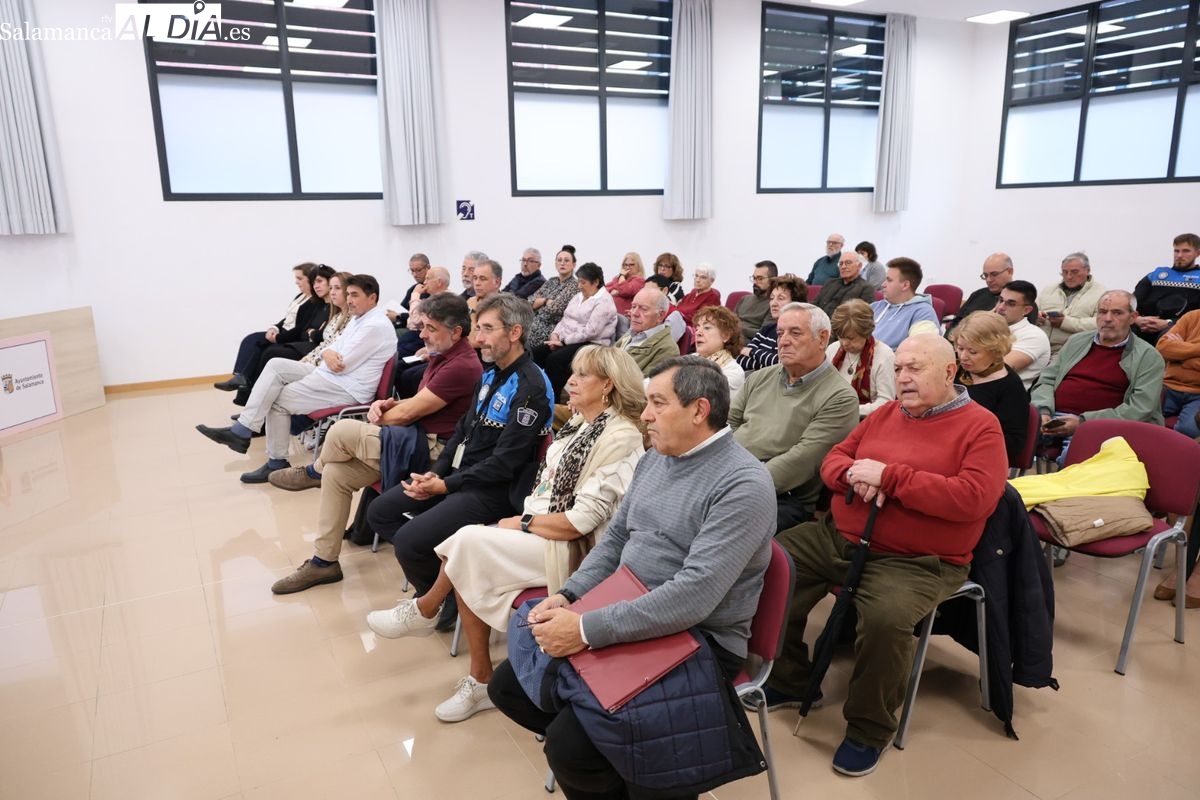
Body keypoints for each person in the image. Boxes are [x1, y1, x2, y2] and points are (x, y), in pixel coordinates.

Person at [488, 356, 777, 799]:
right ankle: (626, 765)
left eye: (658, 403)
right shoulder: (656, 458)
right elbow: (616, 540)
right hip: (630, 607)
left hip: (700, 637)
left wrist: (585, 630)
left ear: (699, 410)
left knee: (569, 748)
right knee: (509, 687)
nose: (645, 416)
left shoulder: (743, 485)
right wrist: (569, 595)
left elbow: (692, 597)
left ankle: (628, 768)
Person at [767, 334, 1008, 777]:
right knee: (770, 565)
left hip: (918, 559)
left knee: (886, 618)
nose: (903, 377)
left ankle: (868, 728)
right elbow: (835, 457)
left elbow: (974, 498)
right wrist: (852, 475)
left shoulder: (981, 426)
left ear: (949, 372)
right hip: (840, 535)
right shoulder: (885, 414)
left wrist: (891, 478)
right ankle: (790, 679)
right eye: (898, 369)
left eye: (915, 368)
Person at [365, 345, 646, 722]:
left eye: (582, 375)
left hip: (578, 549)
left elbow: (580, 523)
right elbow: (545, 492)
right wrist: (525, 520)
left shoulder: (620, 436)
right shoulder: (580, 424)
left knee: (469, 542)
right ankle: (469, 665)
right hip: (545, 529)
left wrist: (522, 522)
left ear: (608, 385)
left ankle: (430, 613)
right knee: (470, 552)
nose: (570, 381)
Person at [266, 294, 484, 594]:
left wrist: (384, 413)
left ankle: (313, 471)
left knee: (342, 430)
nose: (422, 334)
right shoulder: (444, 355)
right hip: (413, 441)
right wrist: (386, 404)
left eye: (430, 328)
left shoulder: (462, 366)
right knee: (337, 474)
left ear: (456, 332)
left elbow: (407, 415)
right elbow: (417, 403)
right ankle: (324, 561)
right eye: (422, 326)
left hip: (432, 453)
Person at [365, 293, 554, 606]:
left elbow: (505, 464)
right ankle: (446, 586)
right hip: (461, 476)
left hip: (494, 490)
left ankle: (439, 599)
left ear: (514, 333)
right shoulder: (491, 373)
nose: (478, 339)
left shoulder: (530, 387)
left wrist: (447, 485)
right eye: (478, 329)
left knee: (409, 542)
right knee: (380, 511)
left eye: (487, 329)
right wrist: (436, 475)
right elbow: (462, 431)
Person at [196, 274, 398, 482]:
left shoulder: (374, 326)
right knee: (275, 364)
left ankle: (274, 461)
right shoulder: (360, 319)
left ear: (372, 298)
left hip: (347, 387)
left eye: (354, 295)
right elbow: (332, 349)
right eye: (348, 294)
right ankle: (243, 429)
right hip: (332, 376)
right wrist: (327, 353)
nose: (349, 300)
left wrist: (328, 354)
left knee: (277, 400)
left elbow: (341, 364)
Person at [730, 302, 859, 531]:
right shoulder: (759, 378)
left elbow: (802, 460)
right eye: (780, 333)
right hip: (730, 476)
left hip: (780, 496)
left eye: (795, 333)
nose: (783, 341)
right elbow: (726, 428)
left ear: (822, 338)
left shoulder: (840, 397)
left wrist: (732, 484)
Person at [1031, 290, 1165, 460]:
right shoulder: (1076, 341)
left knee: (1075, 461)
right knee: (1008, 438)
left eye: (1117, 313)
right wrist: (1043, 411)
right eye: (1102, 312)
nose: (1107, 318)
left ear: (1133, 317)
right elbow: (1047, 380)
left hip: (1102, 427)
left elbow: (1140, 408)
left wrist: (1083, 422)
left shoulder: (1148, 356)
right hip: (1051, 417)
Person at [231, 264, 337, 404]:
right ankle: (245, 390)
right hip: (303, 343)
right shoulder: (319, 304)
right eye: (314, 282)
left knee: (270, 352)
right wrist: (276, 328)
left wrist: (310, 333)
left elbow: (316, 334)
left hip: (311, 348)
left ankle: (254, 401)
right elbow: (304, 330)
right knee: (252, 340)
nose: (316, 285)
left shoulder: (330, 307)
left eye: (319, 281)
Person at [215, 262, 322, 393]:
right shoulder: (300, 296)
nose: (296, 282)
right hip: (282, 332)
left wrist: (278, 338)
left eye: (299, 278)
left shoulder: (314, 302)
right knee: (251, 339)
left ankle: (246, 387)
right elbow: (287, 319)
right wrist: (274, 328)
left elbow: (300, 329)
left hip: (290, 337)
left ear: (310, 279)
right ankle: (240, 377)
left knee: (263, 349)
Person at [951, 311, 1029, 467]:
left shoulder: (1010, 387)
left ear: (995, 351)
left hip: (977, 459)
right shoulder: (955, 369)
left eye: (973, 352)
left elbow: (1012, 444)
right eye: (960, 348)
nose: (963, 356)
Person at [533, 262, 618, 400]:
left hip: (592, 344)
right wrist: (555, 335)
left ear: (596, 282)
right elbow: (565, 319)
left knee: (555, 360)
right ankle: (533, 392)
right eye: (578, 281)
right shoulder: (578, 296)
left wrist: (563, 341)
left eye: (583, 282)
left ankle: (551, 399)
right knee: (536, 353)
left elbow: (591, 331)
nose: (579, 286)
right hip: (567, 340)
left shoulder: (604, 302)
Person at [825, 298, 895, 418]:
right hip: (831, 415)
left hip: (867, 421)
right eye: (841, 337)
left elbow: (886, 403)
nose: (844, 343)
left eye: (851, 338)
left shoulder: (884, 355)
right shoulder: (833, 349)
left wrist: (847, 410)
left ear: (866, 333)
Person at [1133, 232, 1200, 343]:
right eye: (1176, 251)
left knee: (1168, 339)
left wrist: (1170, 323)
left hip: (1179, 329)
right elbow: (1131, 302)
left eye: (1186, 251)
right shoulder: (1155, 275)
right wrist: (1136, 319)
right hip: (1143, 325)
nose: (1179, 255)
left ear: (1197, 253)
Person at [1037, 252, 1107, 359]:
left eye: (1074, 272)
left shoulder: (1102, 294)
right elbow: (1029, 311)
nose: (1069, 276)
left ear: (1088, 270)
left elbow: (1101, 323)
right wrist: (1035, 317)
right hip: (1039, 346)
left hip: (1073, 351)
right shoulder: (1048, 290)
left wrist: (1065, 322)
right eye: (1065, 272)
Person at [737, 273, 807, 372]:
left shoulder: (798, 332)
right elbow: (740, 361)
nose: (773, 303)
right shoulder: (766, 329)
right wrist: (766, 361)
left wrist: (752, 352)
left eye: (781, 298)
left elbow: (782, 363)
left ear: (795, 303)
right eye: (771, 298)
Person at [870, 257, 941, 348]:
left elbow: (920, 350)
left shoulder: (923, 313)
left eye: (889, 280)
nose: (883, 284)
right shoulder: (875, 307)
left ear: (905, 285)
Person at [994, 280, 1051, 391]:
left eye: (1011, 304)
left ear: (1026, 310)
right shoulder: (991, 326)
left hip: (1003, 394)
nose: (1000, 307)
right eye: (1000, 300)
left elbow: (997, 371)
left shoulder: (1034, 335)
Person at [614, 285, 679, 376]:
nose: (634, 313)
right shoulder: (631, 333)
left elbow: (644, 383)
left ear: (660, 315)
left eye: (643, 309)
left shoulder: (667, 349)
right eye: (633, 307)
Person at [1157, 307, 1200, 440]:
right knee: (1136, 415)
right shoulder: (1192, 316)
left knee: (1189, 431)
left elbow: (1171, 351)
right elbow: (1162, 348)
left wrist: (1181, 355)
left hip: (1197, 394)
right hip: (1168, 387)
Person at [529, 245, 581, 348]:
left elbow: (555, 309)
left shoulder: (574, 285)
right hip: (534, 321)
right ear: (555, 263)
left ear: (573, 265)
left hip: (552, 328)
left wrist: (538, 303)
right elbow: (528, 303)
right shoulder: (551, 281)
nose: (562, 263)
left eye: (566, 260)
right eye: (559, 260)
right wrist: (545, 301)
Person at [396, 266, 451, 359]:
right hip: (418, 335)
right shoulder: (433, 298)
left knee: (399, 357)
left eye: (428, 279)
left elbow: (415, 320)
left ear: (439, 282)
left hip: (427, 340)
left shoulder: (443, 301)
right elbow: (412, 322)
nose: (424, 282)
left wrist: (415, 294)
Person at [692, 305, 745, 400]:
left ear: (726, 336)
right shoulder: (691, 358)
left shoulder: (733, 371)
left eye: (707, 328)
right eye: (697, 328)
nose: (698, 333)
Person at [814, 251, 877, 317]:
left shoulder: (866, 288)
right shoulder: (830, 283)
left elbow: (864, 316)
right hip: (819, 320)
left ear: (859, 266)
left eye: (848, 263)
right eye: (841, 264)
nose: (843, 267)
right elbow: (814, 304)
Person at [734, 260, 777, 341]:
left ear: (772, 280)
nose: (755, 282)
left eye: (760, 278)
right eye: (754, 278)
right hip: (732, 337)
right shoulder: (744, 299)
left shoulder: (774, 304)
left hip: (751, 342)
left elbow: (764, 334)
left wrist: (737, 329)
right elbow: (730, 322)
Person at [604, 252, 646, 316]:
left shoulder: (640, 280)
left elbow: (626, 290)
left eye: (631, 265)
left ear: (638, 266)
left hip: (626, 317)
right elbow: (604, 289)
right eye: (625, 265)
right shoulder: (619, 279)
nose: (628, 267)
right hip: (613, 316)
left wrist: (621, 276)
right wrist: (614, 291)